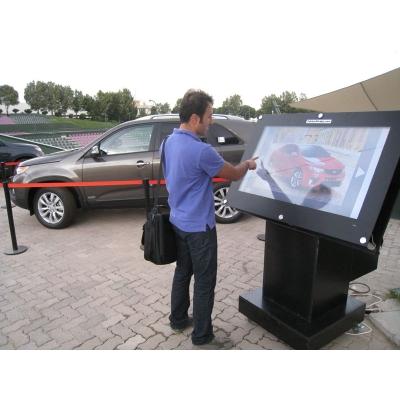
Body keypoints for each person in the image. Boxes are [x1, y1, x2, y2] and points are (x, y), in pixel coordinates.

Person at [161, 89, 258, 350]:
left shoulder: (168, 142)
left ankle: (178, 320)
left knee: (183, 272)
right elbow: (235, 174)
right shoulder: (201, 151)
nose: (211, 121)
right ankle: (202, 337)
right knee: (204, 281)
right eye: (209, 117)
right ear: (195, 118)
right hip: (200, 228)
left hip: (178, 221)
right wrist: (248, 164)